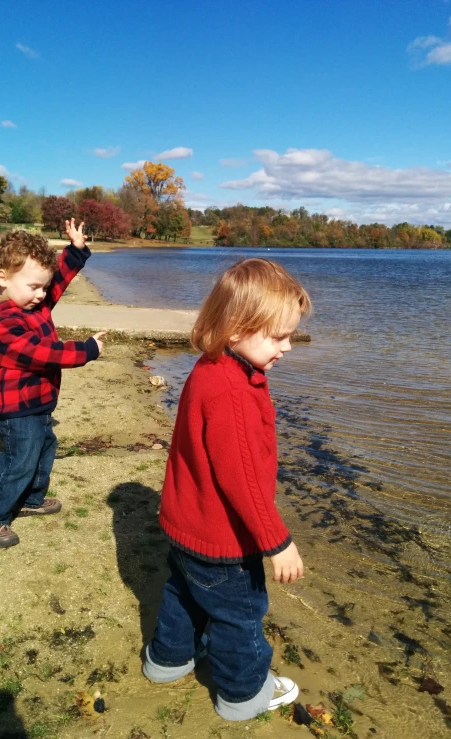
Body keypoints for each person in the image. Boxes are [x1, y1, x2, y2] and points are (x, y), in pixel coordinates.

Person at [143, 258, 311, 720]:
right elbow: (243, 483)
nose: (288, 348)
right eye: (278, 337)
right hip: (222, 541)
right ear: (235, 329)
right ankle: (243, 695)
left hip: (184, 527)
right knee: (240, 615)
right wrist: (277, 542)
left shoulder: (209, 368)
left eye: (290, 336)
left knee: (184, 593)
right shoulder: (232, 392)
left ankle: (167, 661)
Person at [0, 219, 105, 548]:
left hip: (38, 402)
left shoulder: (30, 301)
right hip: (14, 408)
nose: (41, 295)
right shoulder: (1, 321)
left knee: (44, 450)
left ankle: (31, 499)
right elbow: (40, 353)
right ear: (3, 278)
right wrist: (85, 350)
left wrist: (75, 252)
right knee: (20, 462)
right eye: (33, 287)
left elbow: (56, 283)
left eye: (43, 287)